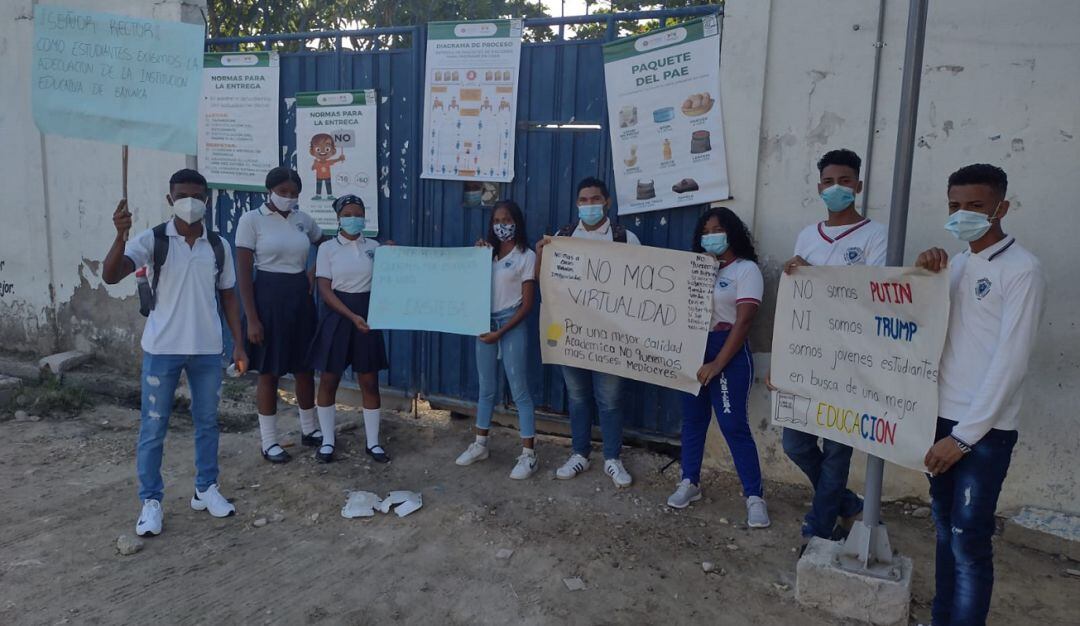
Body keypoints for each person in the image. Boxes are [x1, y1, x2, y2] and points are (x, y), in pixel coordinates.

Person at [915, 164, 1044, 625]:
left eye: (975, 206)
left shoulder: (1022, 270)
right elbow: (924, 327)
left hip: (983, 432)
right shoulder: (955, 266)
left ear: (1000, 208)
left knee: (969, 541)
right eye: (955, 206)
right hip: (941, 419)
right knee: (944, 532)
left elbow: (1010, 363)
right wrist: (924, 274)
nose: (962, 215)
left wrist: (964, 437)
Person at [102, 168, 247, 537]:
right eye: (182, 196)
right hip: (162, 349)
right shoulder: (152, 240)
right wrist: (119, 236)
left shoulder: (218, 245)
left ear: (207, 199)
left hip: (206, 350)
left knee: (208, 423)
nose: (190, 202)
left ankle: (206, 488)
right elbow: (111, 274)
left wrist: (239, 343)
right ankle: (151, 501)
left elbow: (229, 296)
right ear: (170, 199)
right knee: (154, 428)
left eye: (197, 196)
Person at [781, 149, 886, 546]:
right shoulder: (808, 235)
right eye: (828, 182)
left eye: (844, 181)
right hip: (808, 355)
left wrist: (819, 278)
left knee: (838, 449)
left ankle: (819, 528)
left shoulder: (876, 235)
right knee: (795, 443)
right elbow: (800, 298)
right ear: (819, 187)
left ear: (858, 185)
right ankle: (847, 503)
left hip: (850, 359)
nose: (836, 188)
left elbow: (874, 296)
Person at [667, 208, 770, 528]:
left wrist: (717, 363)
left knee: (732, 424)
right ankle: (689, 481)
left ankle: (754, 496)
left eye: (717, 229)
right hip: (694, 348)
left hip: (728, 352)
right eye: (706, 231)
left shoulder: (746, 270)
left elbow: (745, 321)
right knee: (693, 420)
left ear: (732, 232)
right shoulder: (697, 269)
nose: (711, 236)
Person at [536, 177, 639, 487]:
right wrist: (541, 253)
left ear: (607, 202)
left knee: (610, 399)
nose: (589, 204)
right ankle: (580, 453)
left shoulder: (625, 238)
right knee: (578, 396)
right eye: (583, 200)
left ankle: (612, 458)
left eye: (595, 199)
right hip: (571, 332)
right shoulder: (563, 237)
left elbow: (639, 286)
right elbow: (545, 279)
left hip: (610, 335)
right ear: (577, 204)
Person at [235, 167, 324, 464]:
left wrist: (313, 272)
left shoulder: (303, 220)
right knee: (269, 371)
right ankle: (269, 441)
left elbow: (326, 245)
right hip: (267, 300)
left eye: (294, 193)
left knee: (304, 368)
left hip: (300, 299)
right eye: (283, 192)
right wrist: (252, 318)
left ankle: (309, 429)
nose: (288, 197)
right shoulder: (252, 220)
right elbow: (244, 273)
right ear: (269, 191)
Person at [455, 200, 539, 479]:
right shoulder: (486, 254)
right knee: (486, 388)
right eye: (496, 221)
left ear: (517, 222)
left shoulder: (526, 256)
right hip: (485, 323)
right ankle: (480, 444)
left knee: (519, 390)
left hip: (510, 324)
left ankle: (528, 455)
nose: (501, 225)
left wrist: (501, 333)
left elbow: (527, 305)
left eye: (507, 220)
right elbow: (470, 286)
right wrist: (477, 257)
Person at [306, 195, 390, 463]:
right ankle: (327, 441)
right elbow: (324, 289)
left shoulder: (374, 247)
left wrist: (393, 255)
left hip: (368, 318)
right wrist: (351, 316)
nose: (354, 219)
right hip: (337, 316)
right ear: (338, 218)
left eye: (359, 213)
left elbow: (390, 278)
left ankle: (373, 443)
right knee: (329, 379)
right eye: (348, 214)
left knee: (369, 381)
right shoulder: (327, 249)